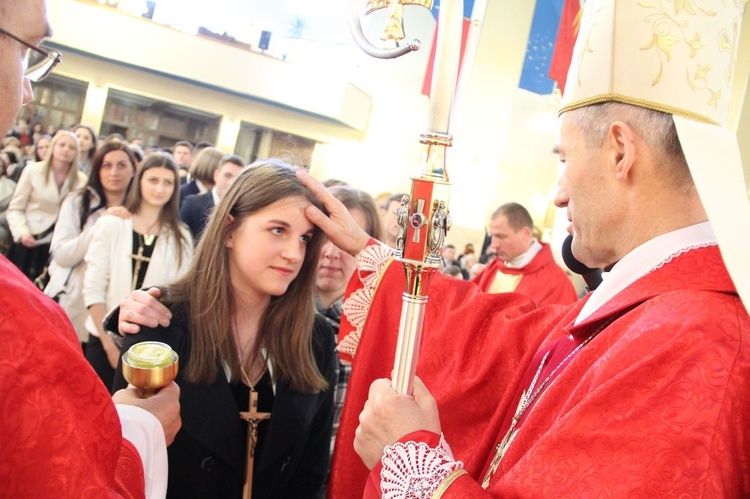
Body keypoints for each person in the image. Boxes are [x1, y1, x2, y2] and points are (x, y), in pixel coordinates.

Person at [297, 2, 750, 497]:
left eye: (565, 158)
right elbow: (513, 345)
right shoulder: (663, 306)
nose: (557, 194)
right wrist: (376, 259)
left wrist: (409, 458)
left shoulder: (699, 339)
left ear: (620, 151)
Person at [0, 1, 179, 495]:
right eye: (28, 51)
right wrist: (139, 427)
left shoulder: (176, 234)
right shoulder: (19, 318)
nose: (31, 88)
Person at [112, 160, 337, 498]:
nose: (294, 253)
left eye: (305, 239)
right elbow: (126, 462)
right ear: (230, 229)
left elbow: (311, 474)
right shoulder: (160, 323)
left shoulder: (316, 339)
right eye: (278, 230)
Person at [84, 151, 192, 387]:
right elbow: (93, 288)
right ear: (139, 180)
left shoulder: (181, 236)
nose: (160, 188)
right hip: (102, 340)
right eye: (153, 180)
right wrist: (109, 345)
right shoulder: (112, 224)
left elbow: (178, 297)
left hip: (148, 349)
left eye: (168, 182)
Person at [47, 140, 137, 348]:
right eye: (107, 165)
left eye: (122, 165)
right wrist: (102, 224)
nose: (114, 172)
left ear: (133, 170)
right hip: (74, 303)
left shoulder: (138, 210)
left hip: (117, 309)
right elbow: (62, 254)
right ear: (97, 169)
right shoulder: (78, 201)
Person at [6, 130, 87, 280]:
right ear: (53, 147)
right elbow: (16, 208)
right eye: (62, 145)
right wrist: (22, 232)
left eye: (71, 147)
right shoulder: (33, 170)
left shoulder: (82, 180)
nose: (66, 150)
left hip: (56, 243)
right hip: (28, 236)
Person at [472, 202, 578, 306]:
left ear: (525, 234)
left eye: (501, 236)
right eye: (492, 236)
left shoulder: (557, 283)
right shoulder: (495, 267)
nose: (494, 245)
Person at [180, 152, 244, 242]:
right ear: (216, 175)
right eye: (227, 176)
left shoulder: (240, 212)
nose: (231, 182)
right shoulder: (192, 204)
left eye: (236, 178)